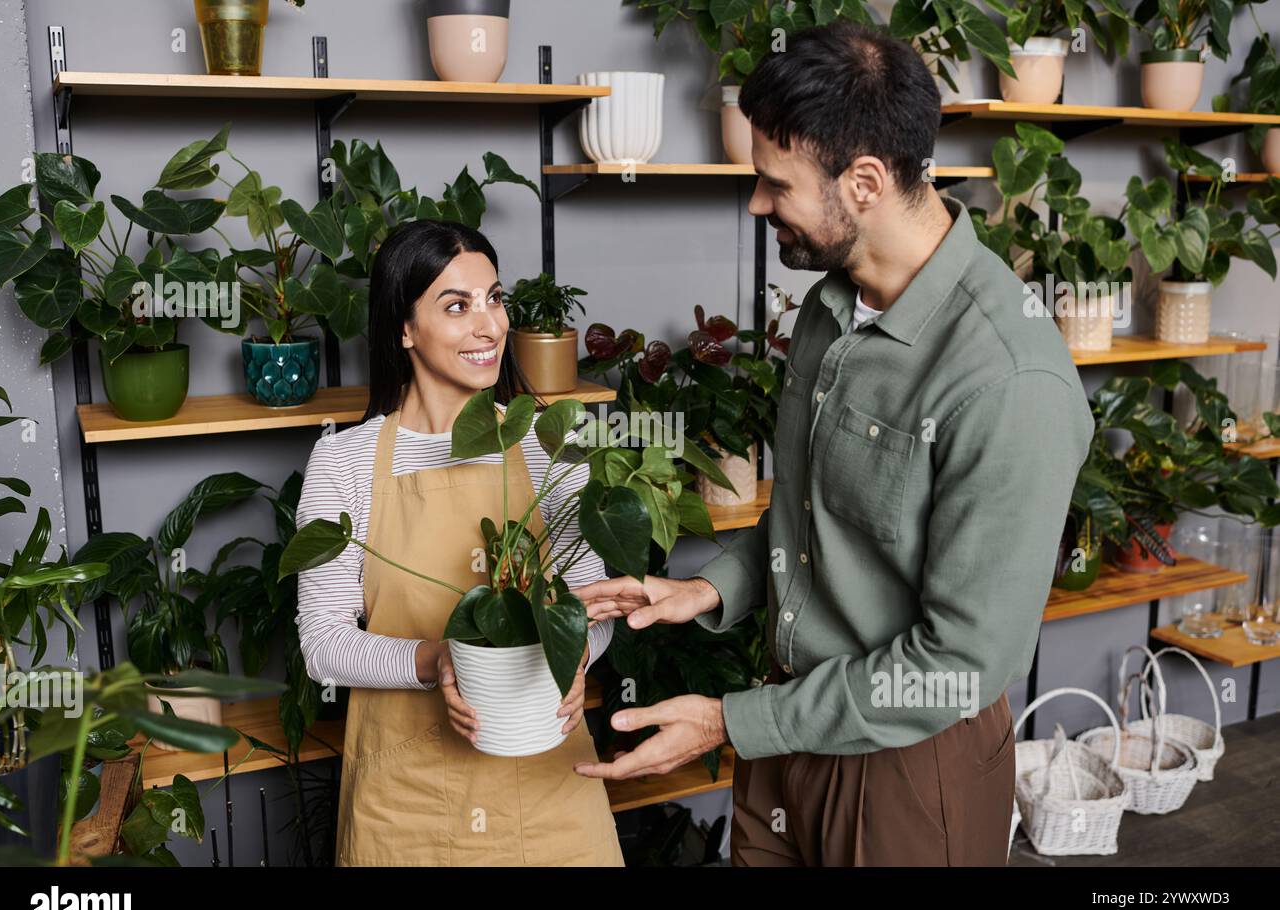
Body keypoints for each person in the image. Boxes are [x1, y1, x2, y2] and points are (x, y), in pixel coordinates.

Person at [571, 21, 1095, 866]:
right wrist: (705, 594)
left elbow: (958, 663)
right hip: (791, 738)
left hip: (908, 771)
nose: (755, 205)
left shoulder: (1009, 379)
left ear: (863, 182)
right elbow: (820, 524)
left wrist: (727, 722)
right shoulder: (829, 307)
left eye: (774, 184)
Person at [295, 219, 623, 866]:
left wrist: (577, 651)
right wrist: (437, 660)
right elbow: (322, 645)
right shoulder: (345, 462)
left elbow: (595, 599)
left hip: (550, 789)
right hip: (407, 801)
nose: (490, 325)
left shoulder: (550, 443)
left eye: (495, 299)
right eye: (457, 306)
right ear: (403, 328)